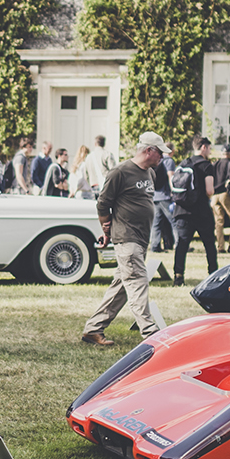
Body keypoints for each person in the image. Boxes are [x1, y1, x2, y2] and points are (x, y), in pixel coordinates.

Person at [83, 132, 168, 346]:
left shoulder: (150, 173)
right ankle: (150, 334)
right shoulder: (119, 172)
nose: (162, 157)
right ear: (148, 150)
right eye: (160, 152)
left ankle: (93, 329)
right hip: (126, 238)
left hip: (141, 239)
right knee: (138, 283)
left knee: (121, 287)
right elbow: (103, 203)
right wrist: (105, 228)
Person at [171, 136, 218, 286]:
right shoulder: (206, 165)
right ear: (203, 147)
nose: (210, 151)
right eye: (209, 148)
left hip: (182, 210)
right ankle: (213, 274)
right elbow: (209, 191)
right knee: (209, 243)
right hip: (201, 211)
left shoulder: (184, 163)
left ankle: (178, 277)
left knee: (182, 244)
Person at [211, 143, 230, 254]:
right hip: (225, 194)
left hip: (214, 195)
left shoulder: (215, 164)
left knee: (219, 222)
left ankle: (220, 246)